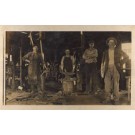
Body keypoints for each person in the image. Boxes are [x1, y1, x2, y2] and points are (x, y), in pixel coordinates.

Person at [101, 37, 129, 104]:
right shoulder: (105, 52)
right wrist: (102, 70)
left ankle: (116, 100)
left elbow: (126, 57)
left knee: (115, 85)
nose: (111, 44)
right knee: (107, 84)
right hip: (107, 68)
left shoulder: (118, 51)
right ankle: (107, 98)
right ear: (108, 44)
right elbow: (102, 62)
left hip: (116, 68)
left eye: (113, 42)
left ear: (114, 44)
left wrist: (121, 63)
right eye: (110, 42)